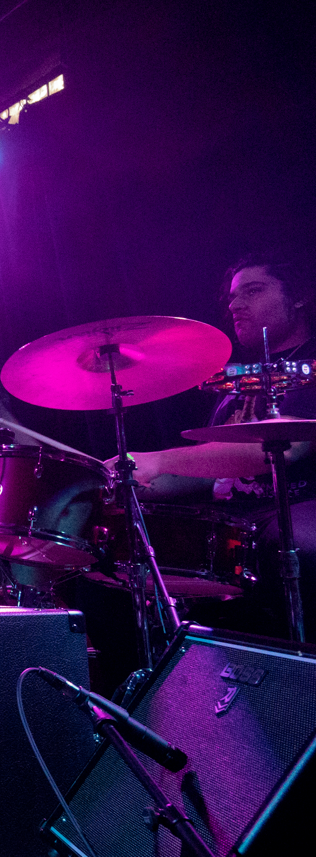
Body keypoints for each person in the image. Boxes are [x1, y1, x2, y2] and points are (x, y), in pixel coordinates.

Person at [106, 254, 316, 636]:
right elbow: (210, 474)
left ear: (299, 296)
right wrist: (132, 478)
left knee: (293, 543)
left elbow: (285, 447)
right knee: (116, 557)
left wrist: (160, 460)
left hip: (297, 508)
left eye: (253, 291)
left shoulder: (310, 367)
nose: (235, 306)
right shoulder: (236, 383)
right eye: (232, 297)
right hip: (232, 523)